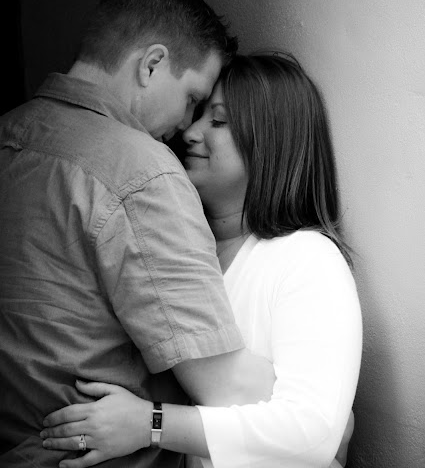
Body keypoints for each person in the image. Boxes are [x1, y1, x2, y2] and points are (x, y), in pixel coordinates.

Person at [0, 0, 278, 468]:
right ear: (151, 64)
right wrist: (326, 414)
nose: (186, 127)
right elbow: (228, 388)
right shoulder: (142, 171)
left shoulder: (9, 132)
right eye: (192, 99)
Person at [40, 53, 363, 468]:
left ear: (271, 141)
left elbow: (311, 434)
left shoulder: (308, 259)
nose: (190, 133)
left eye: (219, 120)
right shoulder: (176, 251)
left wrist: (151, 424)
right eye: (197, 115)